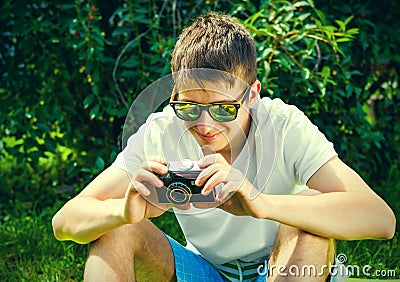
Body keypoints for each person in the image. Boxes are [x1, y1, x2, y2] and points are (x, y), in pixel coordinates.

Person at [52, 12, 396, 282]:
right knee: (114, 230)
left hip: (283, 267)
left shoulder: (283, 124)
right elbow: (64, 221)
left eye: (222, 108)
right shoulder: (163, 129)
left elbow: (380, 219)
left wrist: (260, 204)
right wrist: (123, 212)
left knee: (309, 214)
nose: (204, 125)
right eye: (188, 106)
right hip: (203, 271)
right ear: (174, 95)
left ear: (253, 94)